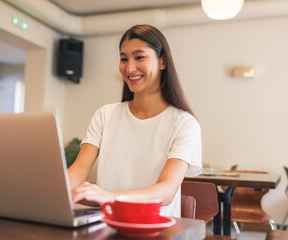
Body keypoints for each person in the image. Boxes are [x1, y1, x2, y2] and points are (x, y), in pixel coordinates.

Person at [68, 24, 202, 218]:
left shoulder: (185, 124)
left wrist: (107, 196)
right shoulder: (105, 115)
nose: (129, 68)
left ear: (162, 61)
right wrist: (50, 191)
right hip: (106, 224)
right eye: (123, 59)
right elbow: (79, 170)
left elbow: (166, 191)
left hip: (156, 229)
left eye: (139, 57)